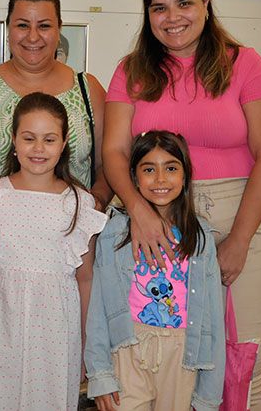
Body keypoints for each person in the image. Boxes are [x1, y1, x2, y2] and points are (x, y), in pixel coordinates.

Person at [103, 0, 261, 410]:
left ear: (206, 3)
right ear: (147, 14)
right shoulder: (131, 70)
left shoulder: (245, 64)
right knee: (166, 366)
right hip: (157, 225)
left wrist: (240, 239)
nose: (173, 17)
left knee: (242, 366)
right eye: (159, 8)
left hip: (238, 216)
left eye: (184, 3)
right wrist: (140, 213)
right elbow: (114, 152)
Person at [0, 92, 108, 409]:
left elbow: (85, 279)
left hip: (54, 333)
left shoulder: (80, 204)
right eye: (29, 138)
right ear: (14, 140)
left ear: (64, 143)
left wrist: (87, 343)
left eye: (49, 139)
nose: (38, 148)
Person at [0, 0, 113, 254]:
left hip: (69, 249)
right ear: (8, 28)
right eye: (22, 25)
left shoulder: (88, 90)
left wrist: (96, 202)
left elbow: (109, 163)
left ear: (59, 29)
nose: (33, 37)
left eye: (44, 26)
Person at [85, 131, 224, 411]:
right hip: (127, 350)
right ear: (134, 178)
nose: (160, 179)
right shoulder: (115, 232)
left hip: (182, 357)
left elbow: (213, 318)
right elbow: (98, 307)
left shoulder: (200, 238)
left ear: (185, 176)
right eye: (149, 169)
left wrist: (208, 394)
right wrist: (100, 374)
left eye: (171, 168)